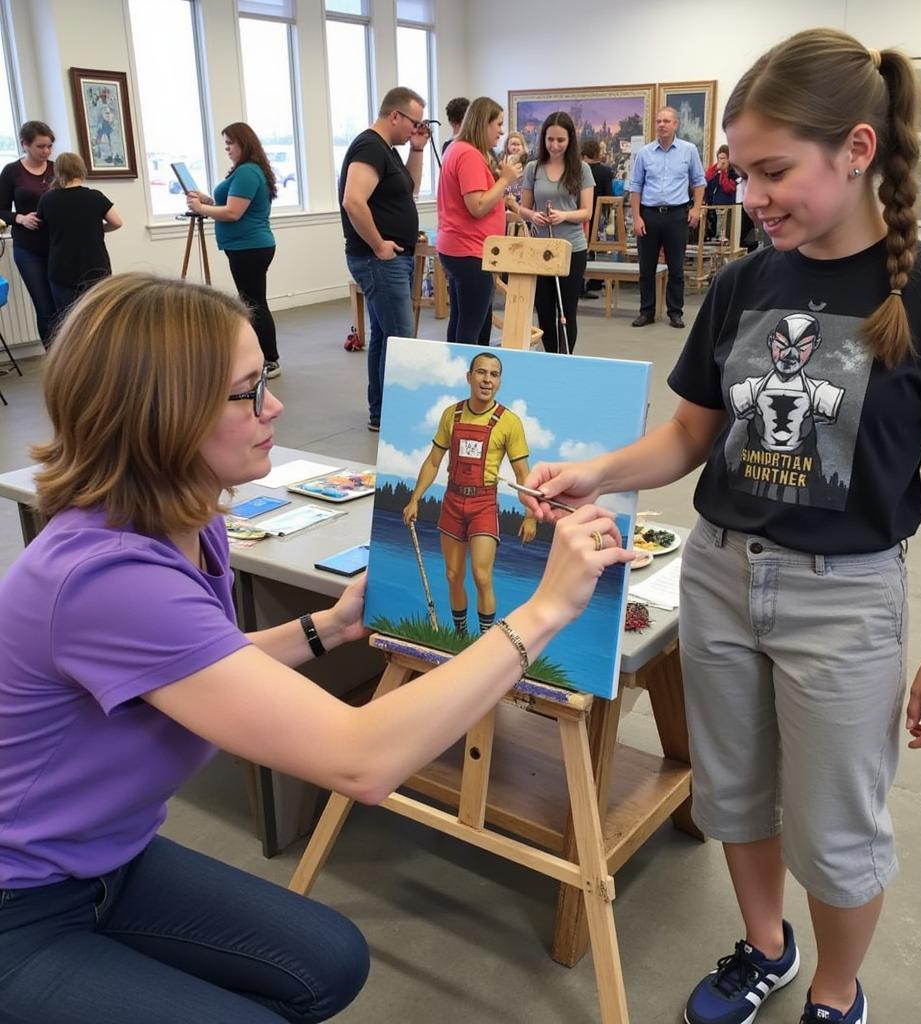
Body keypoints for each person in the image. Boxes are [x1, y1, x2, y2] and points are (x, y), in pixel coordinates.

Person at [519, 28, 921, 1024]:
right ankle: (765, 946)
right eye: (741, 172)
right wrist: (594, 471)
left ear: (857, 151)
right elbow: (691, 436)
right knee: (734, 794)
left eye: (773, 171)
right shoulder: (747, 284)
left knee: (836, 828)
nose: (750, 195)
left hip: (846, 600)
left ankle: (836, 991)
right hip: (716, 575)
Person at [0, 272, 629, 1024]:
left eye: (263, 379)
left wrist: (327, 628)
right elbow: (361, 761)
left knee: (328, 962)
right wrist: (547, 610)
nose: (275, 406)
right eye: (245, 393)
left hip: (110, 855)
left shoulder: (187, 519)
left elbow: (201, 668)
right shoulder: (104, 576)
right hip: (21, 900)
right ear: (160, 416)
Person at [402, 351, 536, 636]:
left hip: (483, 503)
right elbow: (434, 461)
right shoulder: (451, 414)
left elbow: (524, 475)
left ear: (499, 382)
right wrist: (415, 499)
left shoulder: (509, 422)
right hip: (452, 501)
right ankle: (461, 635)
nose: (487, 380)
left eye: (494, 375)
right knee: (452, 576)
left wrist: (531, 516)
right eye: (481, 372)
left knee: (482, 575)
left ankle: (486, 640)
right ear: (469, 377)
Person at [340, 86, 431, 432]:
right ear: (395, 116)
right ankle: (396, 417)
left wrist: (418, 150)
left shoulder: (388, 150)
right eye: (414, 122)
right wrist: (379, 245)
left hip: (391, 259)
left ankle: (382, 413)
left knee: (384, 337)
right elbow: (353, 201)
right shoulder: (369, 146)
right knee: (400, 340)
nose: (416, 129)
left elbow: (407, 190)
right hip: (380, 260)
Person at [186, 122, 280, 378]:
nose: (227, 148)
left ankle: (270, 359)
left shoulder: (248, 171)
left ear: (244, 143)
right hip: (246, 246)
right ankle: (263, 356)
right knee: (252, 300)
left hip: (250, 246)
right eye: (225, 143)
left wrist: (201, 209)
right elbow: (230, 204)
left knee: (254, 303)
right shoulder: (245, 171)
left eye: (230, 143)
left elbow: (233, 212)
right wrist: (207, 201)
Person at [436, 97, 522, 346]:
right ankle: (471, 378)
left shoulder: (456, 148)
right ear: (483, 123)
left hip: (460, 248)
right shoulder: (469, 154)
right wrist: (505, 180)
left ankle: (458, 375)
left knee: (462, 320)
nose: (501, 131)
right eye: (498, 124)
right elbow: (478, 206)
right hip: (470, 250)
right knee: (473, 327)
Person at [519, 112, 594, 354]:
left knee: (566, 311)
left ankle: (565, 359)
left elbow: (587, 212)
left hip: (572, 249)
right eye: (550, 139)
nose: (554, 145)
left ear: (570, 140)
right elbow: (523, 208)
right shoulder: (533, 168)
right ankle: (551, 358)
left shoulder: (581, 169)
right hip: (540, 251)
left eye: (560, 140)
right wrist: (532, 216)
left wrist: (564, 215)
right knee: (544, 309)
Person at [628, 106, 705, 329]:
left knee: (676, 268)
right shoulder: (645, 153)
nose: (661, 124)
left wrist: (696, 209)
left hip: (677, 215)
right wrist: (636, 217)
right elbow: (636, 187)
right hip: (649, 214)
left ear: (675, 125)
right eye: (658, 121)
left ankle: (675, 312)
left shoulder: (689, 150)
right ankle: (647, 311)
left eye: (666, 121)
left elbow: (699, 182)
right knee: (646, 268)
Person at [36, 152, 122, 318]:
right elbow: (117, 222)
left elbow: (42, 228)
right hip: (95, 267)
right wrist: (98, 229)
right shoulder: (95, 197)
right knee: (98, 316)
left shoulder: (47, 199)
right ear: (81, 170)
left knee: (68, 320)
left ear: (58, 171)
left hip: (62, 268)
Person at [0, 120, 56, 346]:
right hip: (28, 249)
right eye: (40, 146)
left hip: (58, 245)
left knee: (62, 305)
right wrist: (20, 218)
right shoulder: (12, 172)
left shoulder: (56, 169)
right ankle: (53, 360)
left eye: (49, 146)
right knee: (44, 307)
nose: (46, 151)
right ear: (25, 144)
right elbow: (1, 209)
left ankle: (70, 359)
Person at [580, 138, 615, 299]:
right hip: (598, 215)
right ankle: (594, 282)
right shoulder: (605, 172)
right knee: (597, 250)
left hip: (580, 214)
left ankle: (579, 284)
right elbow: (609, 197)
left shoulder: (578, 170)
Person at [703, 144, 739, 238]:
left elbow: (729, 188)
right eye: (719, 158)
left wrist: (724, 172)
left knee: (725, 235)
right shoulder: (715, 171)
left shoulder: (735, 172)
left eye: (723, 158)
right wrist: (715, 168)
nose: (721, 161)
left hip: (728, 209)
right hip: (714, 209)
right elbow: (706, 181)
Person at [501, 131, 529, 219]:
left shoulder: (529, 167)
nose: (515, 148)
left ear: (523, 147)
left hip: (523, 212)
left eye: (518, 145)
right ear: (507, 147)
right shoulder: (501, 166)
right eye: (513, 144)